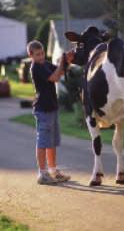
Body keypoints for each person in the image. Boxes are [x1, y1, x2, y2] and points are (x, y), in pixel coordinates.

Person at [27, 40, 74, 185]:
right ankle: (42, 174)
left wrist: (67, 61)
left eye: (42, 53)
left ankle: (53, 171)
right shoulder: (36, 67)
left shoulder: (44, 64)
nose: (41, 57)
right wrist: (61, 63)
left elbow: (60, 72)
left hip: (52, 108)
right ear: (31, 55)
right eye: (37, 54)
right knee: (43, 143)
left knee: (51, 142)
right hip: (43, 110)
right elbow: (54, 78)